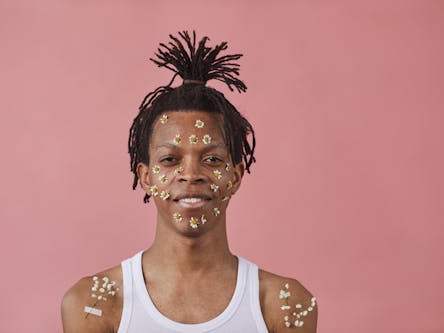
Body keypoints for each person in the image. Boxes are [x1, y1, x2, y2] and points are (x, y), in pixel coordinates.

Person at [61, 31, 318, 333]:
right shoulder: (95, 303)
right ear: (145, 176)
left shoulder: (284, 304)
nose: (191, 174)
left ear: (235, 176)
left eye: (211, 159)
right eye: (170, 159)